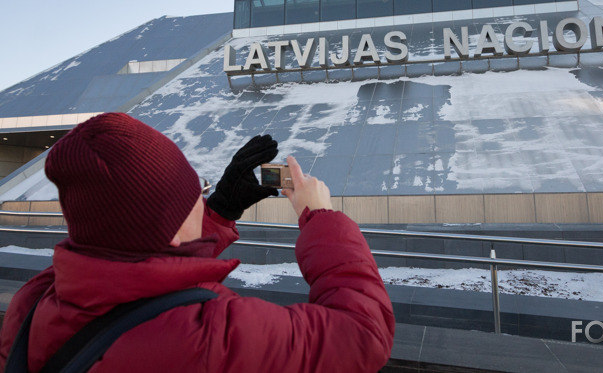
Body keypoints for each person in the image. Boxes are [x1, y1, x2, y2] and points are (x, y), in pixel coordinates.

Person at [0, 112, 394, 372]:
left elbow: (144, 253)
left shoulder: (34, 301)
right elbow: (363, 334)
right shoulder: (211, 336)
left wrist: (220, 211)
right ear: (168, 227)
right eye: (197, 194)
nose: (202, 200)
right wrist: (321, 220)